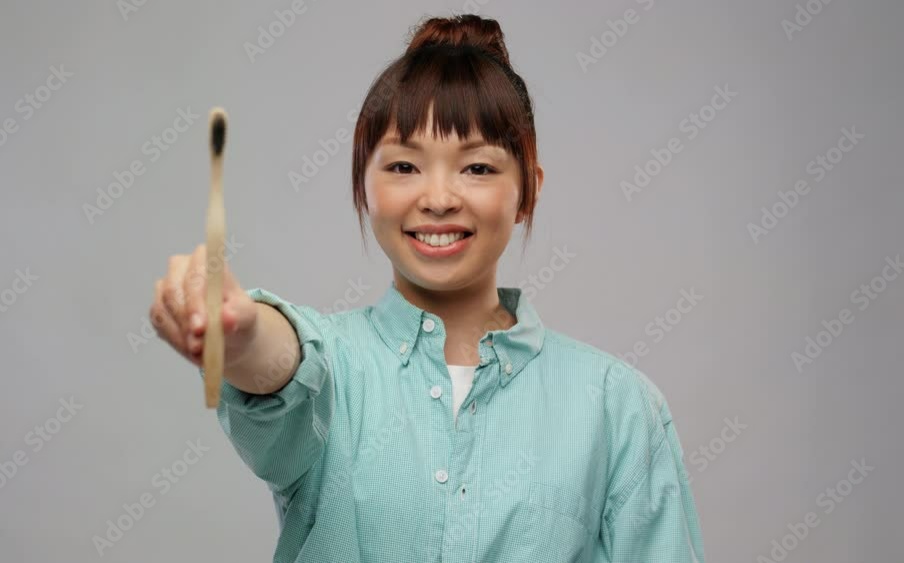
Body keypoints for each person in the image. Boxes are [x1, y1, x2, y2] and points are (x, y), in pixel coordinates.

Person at [151, 13, 706, 563]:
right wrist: (241, 332)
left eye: (478, 169)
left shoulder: (617, 407)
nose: (438, 197)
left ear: (528, 192)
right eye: (403, 166)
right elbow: (284, 366)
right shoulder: (335, 370)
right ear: (363, 187)